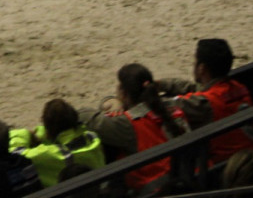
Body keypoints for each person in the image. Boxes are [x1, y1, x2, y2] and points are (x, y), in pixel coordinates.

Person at [81, 63, 190, 196]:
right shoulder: (175, 104)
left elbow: (84, 116)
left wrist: (110, 101)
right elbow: (191, 87)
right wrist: (160, 85)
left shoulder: (128, 123)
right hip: (193, 180)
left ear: (124, 93)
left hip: (157, 191)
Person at [156, 39, 253, 164]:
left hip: (229, 168)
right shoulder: (238, 87)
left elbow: (164, 105)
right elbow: (197, 88)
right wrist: (162, 85)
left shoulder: (206, 104)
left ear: (202, 68)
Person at [9, 97, 105, 186]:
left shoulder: (51, 154)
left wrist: (24, 133)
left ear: (48, 130)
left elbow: (16, 153)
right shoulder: (92, 137)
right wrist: (43, 132)